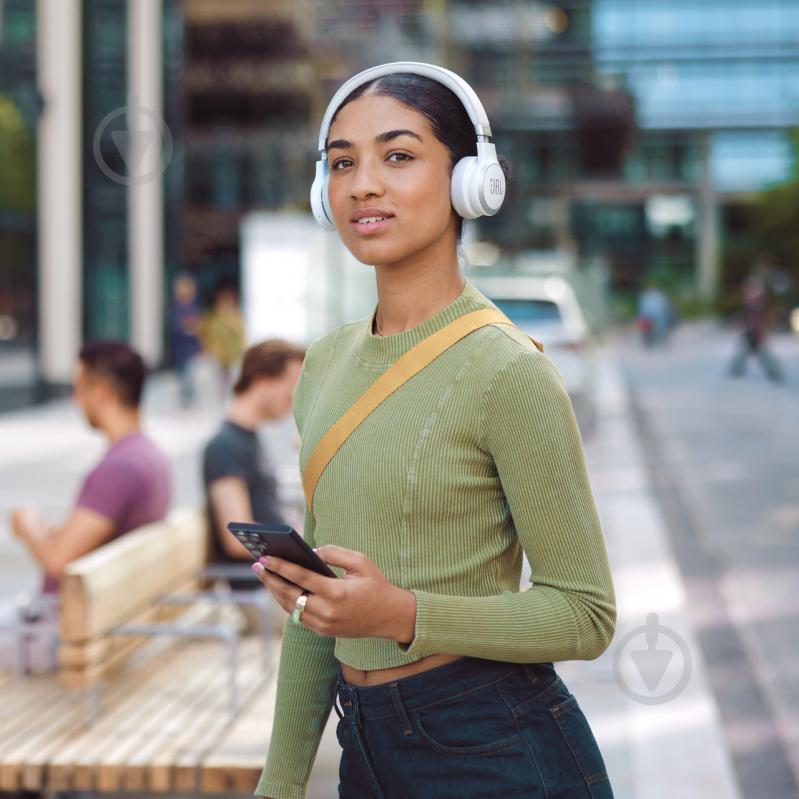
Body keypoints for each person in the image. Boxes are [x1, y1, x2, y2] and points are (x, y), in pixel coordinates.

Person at [252, 63, 617, 799]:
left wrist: (401, 614)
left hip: (493, 746)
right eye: (343, 162)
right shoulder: (323, 364)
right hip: (367, 745)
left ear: (467, 182)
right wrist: (279, 783)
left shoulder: (507, 371)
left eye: (398, 155)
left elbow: (585, 614)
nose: (362, 184)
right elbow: (315, 614)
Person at [10, 341, 171, 595]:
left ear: (102, 393)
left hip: (62, 623)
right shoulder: (150, 455)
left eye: (79, 388)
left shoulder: (118, 469)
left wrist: (26, 527)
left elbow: (57, 561)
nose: (76, 400)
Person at [202, 339, 306, 591]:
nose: (294, 396)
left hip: (275, 583)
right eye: (292, 384)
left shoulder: (250, 438)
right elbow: (236, 537)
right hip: (261, 589)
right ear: (263, 379)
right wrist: (303, 551)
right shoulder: (224, 445)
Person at [727, 267, 784, 382]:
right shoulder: (750, 302)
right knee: (743, 353)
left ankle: (775, 372)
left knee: (764, 354)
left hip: (757, 333)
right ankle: (736, 371)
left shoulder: (759, 302)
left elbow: (761, 319)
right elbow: (745, 316)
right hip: (749, 332)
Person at [199, 281, 246, 399]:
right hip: (218, 354)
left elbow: (240, 335)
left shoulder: (236, 317)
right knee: (218, 380)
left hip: (233, 354)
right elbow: (205, 332)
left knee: (233, 380)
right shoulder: (212, 317)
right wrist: (207, 347)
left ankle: (229, 398)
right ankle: (222, 399)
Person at [169, 271, 203, 407]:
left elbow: (197, 326)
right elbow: (178, 326)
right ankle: (185, 398)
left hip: (190, 347)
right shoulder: (176, 307)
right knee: (183, 373)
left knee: (189, 373)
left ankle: (188, 397)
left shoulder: (193, 306)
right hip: (180, 347)